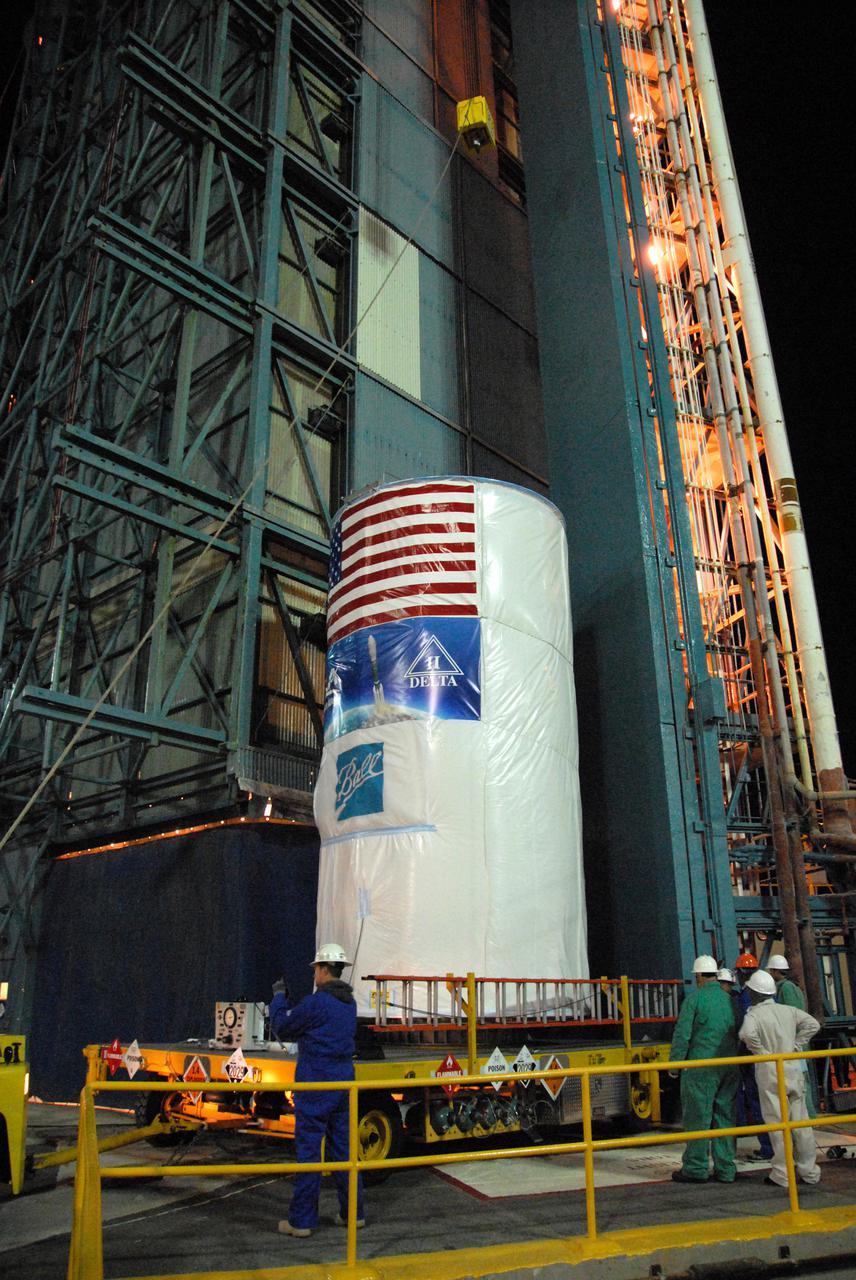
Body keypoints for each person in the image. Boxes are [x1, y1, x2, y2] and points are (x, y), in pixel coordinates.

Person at [269, 942, 365, 1237]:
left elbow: (283, 1028)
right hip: (343, 1084)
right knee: (344, 1152)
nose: (314, 975)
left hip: (316, 1085)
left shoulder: (315, 1003)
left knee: (310, 1152)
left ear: (323, 969)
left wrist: (278, 999)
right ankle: (354, 1214)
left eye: (316, 970)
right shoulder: (350, 1005)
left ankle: (302, 1222)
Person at [739, 969, 821, 1188]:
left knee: (777, 1124)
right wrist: (796, 1044)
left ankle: (782, 1174)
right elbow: (813, 1024)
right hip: (792, 1069)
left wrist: (761, 1052)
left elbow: (745, 1034)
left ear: (755, 993)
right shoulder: (789, 1011)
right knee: (801, 1122)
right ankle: (809, 1171)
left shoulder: (754, 1015)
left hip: (770, 1073)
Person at [668, 954, 740, 1184]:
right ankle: (726, 1169)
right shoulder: (730, 1000)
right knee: (725, 1116)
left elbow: (683, 1035)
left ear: (698, 976)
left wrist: (675, 1066)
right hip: (728, 1067)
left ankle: (696, 1168)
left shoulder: (694, 1000)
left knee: (698, 1117)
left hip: (700, 1069)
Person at [734, 951, 774, 1162]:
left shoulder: (747, 996)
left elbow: (745, 1032)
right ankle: (778, 1147)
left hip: (753, 1059)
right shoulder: (769, 999)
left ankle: (769, 1149)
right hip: (768, 1058)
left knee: (759, 1101)